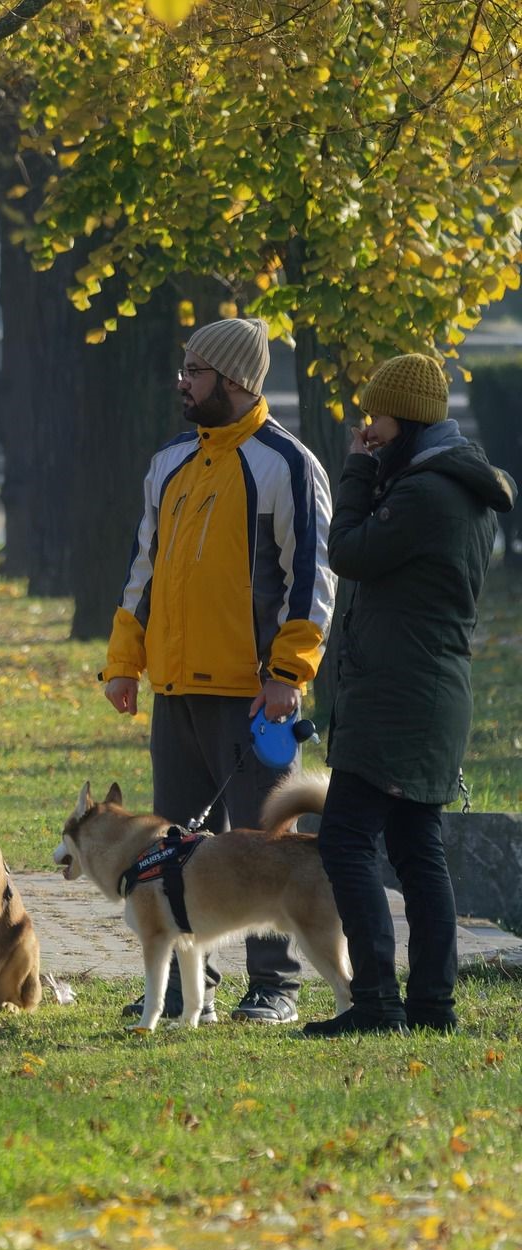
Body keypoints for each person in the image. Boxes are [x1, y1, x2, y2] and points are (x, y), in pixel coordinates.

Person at [101, 316, 336, 1025]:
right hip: (175, 692)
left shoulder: (287, 464)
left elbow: (312, 578)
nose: (183, 382)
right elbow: (145, 570)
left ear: (234, 381)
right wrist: (124, 662)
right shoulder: (169, 461)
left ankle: (275, 988)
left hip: (254, 698)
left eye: (195, 372)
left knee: (268, 851)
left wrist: (288, 673)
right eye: (184, 368)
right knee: (170, 851)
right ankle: (175, 993)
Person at [303, 355, 516, 1037]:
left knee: (344, 839)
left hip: (401, 698)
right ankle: (431, 1004)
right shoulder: (451, 485)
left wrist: (359, 472)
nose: (368, 427)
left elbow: (350, 551)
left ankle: (375, 1002)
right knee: (417, 847)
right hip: (422, 695)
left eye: (377, 416)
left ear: (406, 419)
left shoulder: (428, 495)